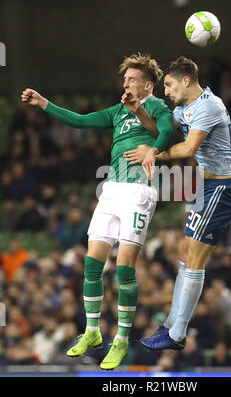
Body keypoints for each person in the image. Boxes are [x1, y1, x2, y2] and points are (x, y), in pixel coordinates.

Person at [21, 52, 174, 370]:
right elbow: (79, 121)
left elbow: (168, 135)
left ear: (148, 84)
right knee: (92, 265)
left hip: (139, 192)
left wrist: (140, 114)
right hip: (112, 190)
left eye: (132, 79)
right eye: (125, 79)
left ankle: (120, 339)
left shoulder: (158, 107)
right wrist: (44, 103)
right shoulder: (118, 110)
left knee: (124, 269)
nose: (126, 83)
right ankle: (92, 332)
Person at [124, 56, 231, 350]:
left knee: (194, 260)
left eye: (170, 84)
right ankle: (170, 325)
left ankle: (177, 334)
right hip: (207, 187)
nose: (167, 91)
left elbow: (189, 147)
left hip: (221, 188)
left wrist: (154, 155)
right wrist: (138, 110)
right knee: (185, 253)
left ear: (186, 80)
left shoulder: (209, 106)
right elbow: (160, 132)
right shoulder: (184, 108)